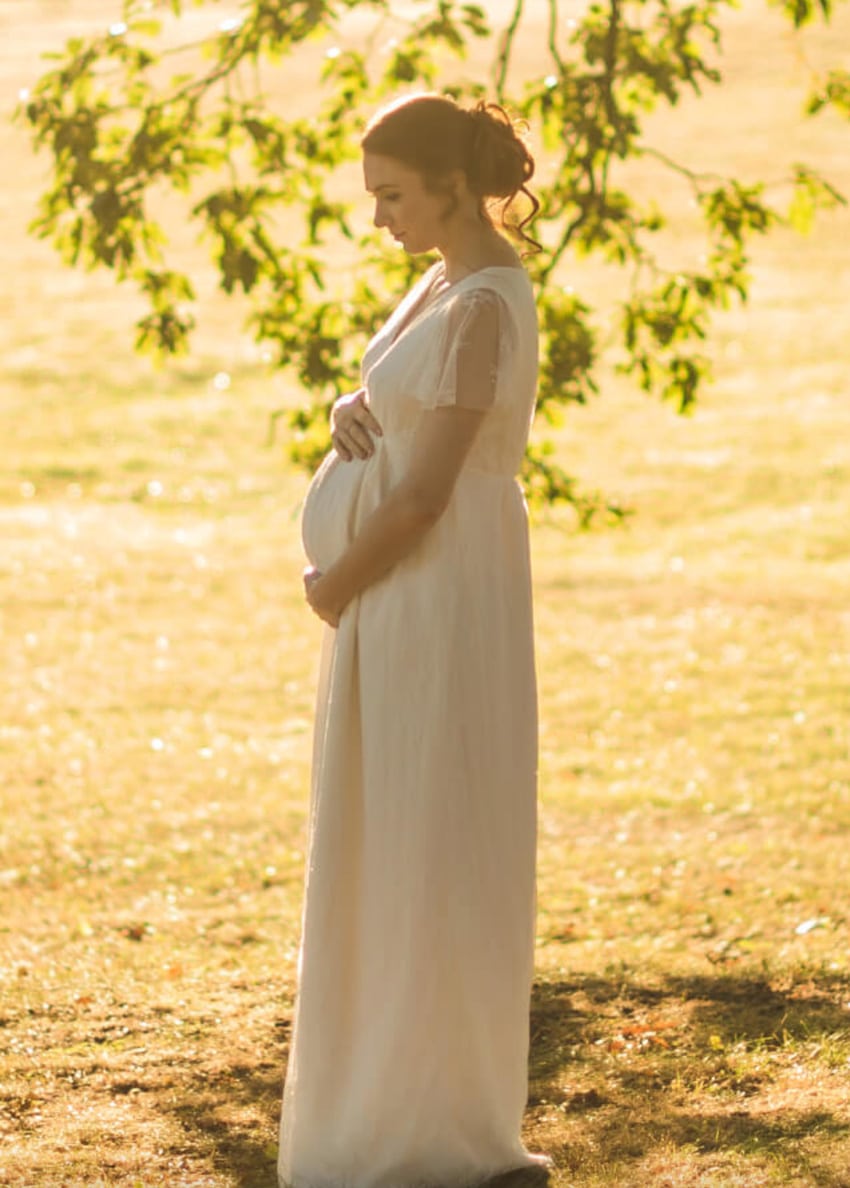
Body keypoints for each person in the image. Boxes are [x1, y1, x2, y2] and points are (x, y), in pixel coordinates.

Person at [278, 92, 548, 1188]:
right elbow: (406, 406)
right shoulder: (438, 279)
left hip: (432, 594)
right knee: (387, 828)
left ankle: (436, 1123)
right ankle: (379, 1092)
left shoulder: (482, 299)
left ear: (450, 185)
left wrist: (334, 580)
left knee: (431, 830)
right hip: (394, 596)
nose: (378, 216)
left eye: (392, 195)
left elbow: (431, 493)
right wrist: (355, 407)